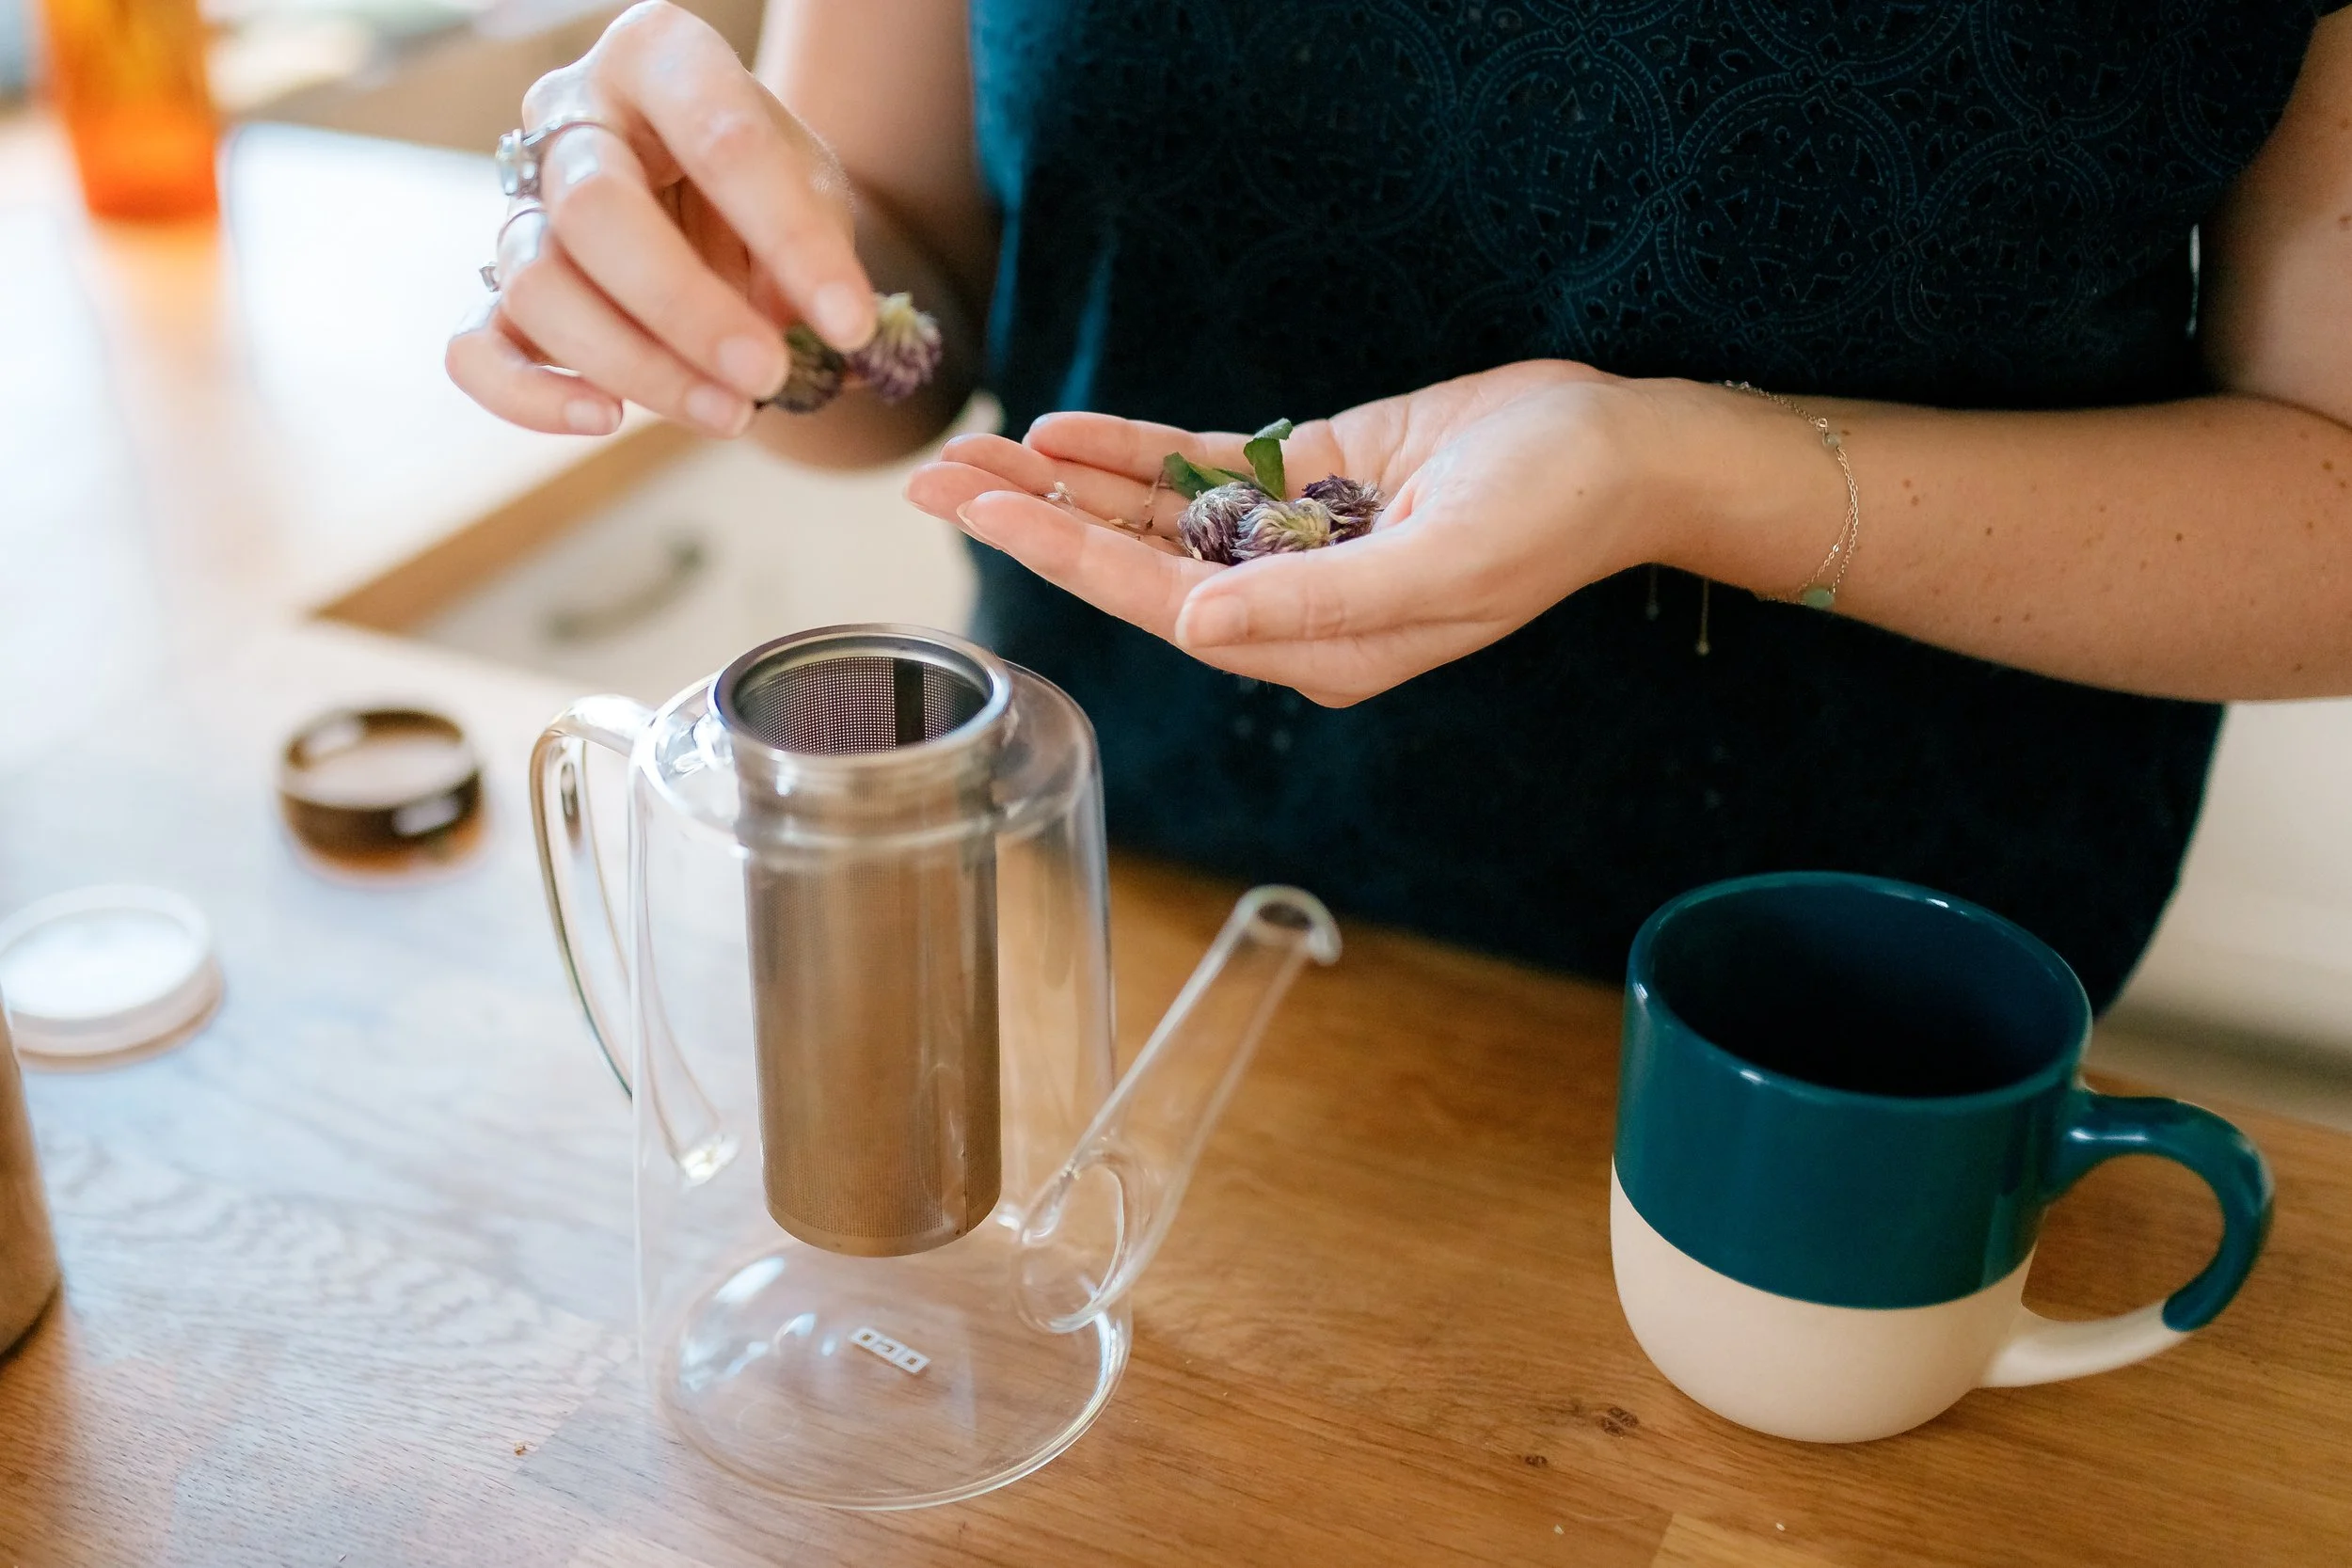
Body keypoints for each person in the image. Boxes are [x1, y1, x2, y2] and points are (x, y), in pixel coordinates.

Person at [449, 1, 2352, 1006]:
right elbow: (904, 307)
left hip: (1848, 1035)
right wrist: (762, 306)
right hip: (1114, 911)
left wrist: (1679, 475)